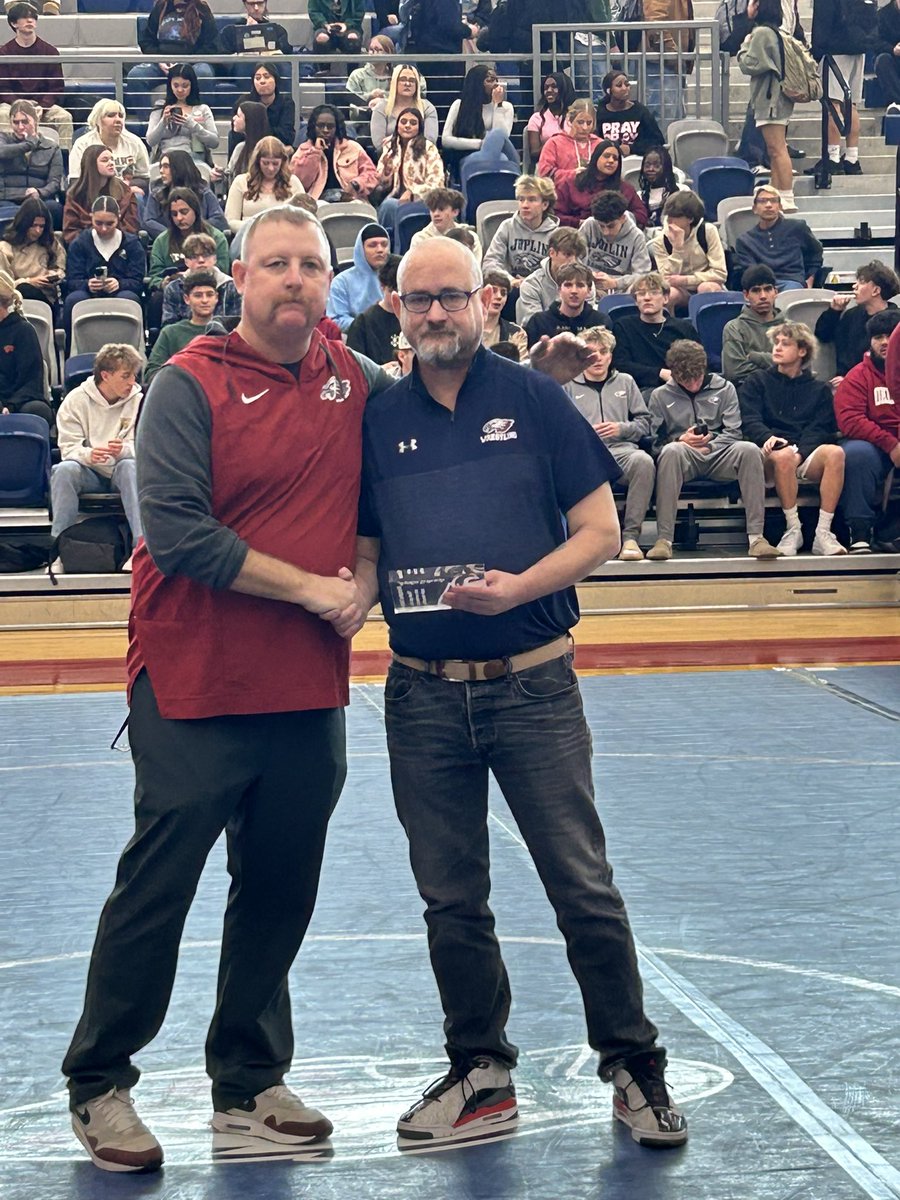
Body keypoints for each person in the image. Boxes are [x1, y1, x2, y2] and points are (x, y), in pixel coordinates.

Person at [61, 203, 385, 1174]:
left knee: (280, 885)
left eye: (310, 266)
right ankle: (100, 1081)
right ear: (239, 278)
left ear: (330, 284)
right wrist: (315, 589)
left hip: (305, 681)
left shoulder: (357, 382)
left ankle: (247, 1077)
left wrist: (365, 580)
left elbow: (382, 498)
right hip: (193, 671)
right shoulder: (185, 385)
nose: (294, 279)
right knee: (160, 883)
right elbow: (179, 533)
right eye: (275, 264)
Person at [350, 235, 688, 1150]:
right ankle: (481, 1072)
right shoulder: (380, 419)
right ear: (397, 307)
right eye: (417, 300)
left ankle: (634, 1067)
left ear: (483, 300)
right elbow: (370, 547)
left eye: (449, 297)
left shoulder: (536, 399)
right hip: (420, 696)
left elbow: (601, 529)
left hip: (533, 689)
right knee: (450, 897)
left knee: (582, 887)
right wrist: (342, 598)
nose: (433, 314)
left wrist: (518, 588)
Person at [647, 340, 781, 560]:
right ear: (673, 374)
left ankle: (756, 537)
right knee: (669, 452)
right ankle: (664, 539)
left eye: (696, 378)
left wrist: (711, 442)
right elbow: (653, 441)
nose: (692, 385)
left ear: (704, 369)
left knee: (749, 450)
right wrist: (680, 439)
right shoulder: (659, 395)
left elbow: (734, 431)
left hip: (720, 453)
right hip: (683, 454)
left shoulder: (725, 388)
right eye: (684, 380)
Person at [738, 322, 847, 556]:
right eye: (776, 343)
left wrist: (801, 453)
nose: (777, 348)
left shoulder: (819, 389)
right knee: (784, 456)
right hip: (768, 453)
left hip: (802, 451)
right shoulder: (757, 381)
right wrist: (768, 437)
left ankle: (823, 532)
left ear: (802, 351)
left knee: (836, 453)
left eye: (785, 344)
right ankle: (793, 528)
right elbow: (750, 418)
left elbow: (820, 429)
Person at [564, 324, 654, 560]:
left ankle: (631, 538)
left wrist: (621, 428)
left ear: (610, 355)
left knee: (643, 462)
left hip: (622, 452)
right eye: (591, 352)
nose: (598, 358)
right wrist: (584, 434)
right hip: (585, 456)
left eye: (603, 352)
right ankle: (578, 541)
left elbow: (645, 423)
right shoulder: (568, 385)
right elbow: (557, 429)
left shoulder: (626, 381)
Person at [50, 343, 143, 564]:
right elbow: (68, 448)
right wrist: (88, 455)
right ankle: (60, 551)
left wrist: (124, 450)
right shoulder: (75, 400)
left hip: (122, 469)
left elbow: (147, 447)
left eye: (134, 376)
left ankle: (140, 550)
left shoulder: (140, 400)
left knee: (130, 466)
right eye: (126, 376)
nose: (132, 382)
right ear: (105, 375)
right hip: (89, 472)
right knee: (64, 470)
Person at [835, 309, 900, 552]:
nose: (884, 343)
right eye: (878, 337)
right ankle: (859, 531)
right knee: (856, 453)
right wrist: (891, 445)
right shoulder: (857, 377)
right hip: (875, 446)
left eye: (890, 336)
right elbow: (849, 420)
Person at [737, 0, 799, 211]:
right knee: (775, 150)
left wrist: (745, 45)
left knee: (776, 149)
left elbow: (750, 64)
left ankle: (786, 195)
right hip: (775, 96)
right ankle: (775, 192)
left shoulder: (762, 33)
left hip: (770, 98)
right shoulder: (775, 32)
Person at [807, 0, 878, 177]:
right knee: (852, 104)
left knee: (834, 104)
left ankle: (833, 157)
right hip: (859, 48)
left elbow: (823, 21)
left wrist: (816, 52)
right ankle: (852, 158)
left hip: (836, 49)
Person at [63, 196, 145, 345]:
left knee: (129, 299)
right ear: (91, 217)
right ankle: (72, 350)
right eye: (98, 223)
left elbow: (138, 281)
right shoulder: (80, 243)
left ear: (119, 219)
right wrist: (87, 284)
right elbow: (72, 280)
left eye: (110, 223)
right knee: (74, 300)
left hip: (121, 292)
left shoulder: (132, 244)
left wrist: (119, 284)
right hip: (87, 292)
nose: (104, 229)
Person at [127, 0, 218, 120]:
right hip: (162, 61)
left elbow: (211, 45)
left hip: (192, 62)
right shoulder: (161, 7)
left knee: (204, 73)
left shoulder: (201, 8)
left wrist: (186, 64)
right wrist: (159, 60)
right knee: (136, 75)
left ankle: (201, 122)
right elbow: (146, 40)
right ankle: (147, 125)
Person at [0, 2, 73, 148]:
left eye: (33, 18)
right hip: (13, 105)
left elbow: (56, 87)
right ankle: (8, 160)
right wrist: (18, 106)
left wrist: (42, 106)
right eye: (25, 18)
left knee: (65, 117)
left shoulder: (50, 51)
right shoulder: (4, 53)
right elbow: (3, 88)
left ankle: (65, 163)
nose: (30, 21)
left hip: (42, 106)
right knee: (2, 115)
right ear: (14, 23)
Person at [815, 261, 900, 385]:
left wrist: (852, 379)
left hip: (881, 383)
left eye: (862, 282)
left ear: (876, 290)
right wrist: (834, 312)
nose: (854, 286)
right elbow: (822, 335)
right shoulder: (851, 315)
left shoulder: (896, 319)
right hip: (845, 382)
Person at [611, 273, 699, 392]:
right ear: (636, 301)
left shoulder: (684, 328)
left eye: (654, 292)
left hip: (680, 388)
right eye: (641, 294)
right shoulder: (623, 326)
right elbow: (621, 364)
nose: (647, 298)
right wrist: (659, 373)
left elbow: (697, 361)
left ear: (666, 298)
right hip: (640, 390)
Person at [648, 191, 726, 313]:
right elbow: (666, 279)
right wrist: (677, 249)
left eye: (675, 217)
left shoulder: (707, 231)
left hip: (706, 283)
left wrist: (686, 280)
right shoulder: (660, 241)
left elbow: (720, 273)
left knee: (706, 288)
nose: (669, 221)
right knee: (668, 295)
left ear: (690, 219)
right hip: (680, 290)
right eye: (669, 216)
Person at [733, 185, 822, 290]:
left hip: (792, 282)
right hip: (763, 287)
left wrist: (810, 280)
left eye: (773, 201)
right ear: (754, 209)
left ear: (780, 206)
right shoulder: (745, 240)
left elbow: (816, 253)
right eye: (762, 201)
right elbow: (751, 274)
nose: (768, 205)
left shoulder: (797, 228)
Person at [372, 107, 444, 230]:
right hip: (393, 198)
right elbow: (379, 179)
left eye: (413, 123)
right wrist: (384, 177)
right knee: (386, 205)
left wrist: (413, 192)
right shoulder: (390, 146)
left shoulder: (428, 148)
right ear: (397, 125)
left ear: (419, 127)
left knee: (388, 206)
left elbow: (437, 182)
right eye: (403, 122)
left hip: (421, 201)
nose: (407, 126)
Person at [482, 175, 559, 289]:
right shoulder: (507, 227)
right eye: (521, 199)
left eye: (532, 200)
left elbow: (559, 271)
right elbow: (490, 263)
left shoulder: (555, 234)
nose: (525, 205)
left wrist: (532, 283)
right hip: (509, 288)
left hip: (541, 290)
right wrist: (511, 281)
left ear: (545, 204)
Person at [290, 105, 377, 203]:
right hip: (317, 201)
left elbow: (372, 174)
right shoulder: (303, 150)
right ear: (313, 127)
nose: (326, 130)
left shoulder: (353, 147)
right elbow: (300, 182)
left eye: (330, 126)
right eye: (321, 126)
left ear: (337, 128)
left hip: (350, 199)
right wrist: (316, 152)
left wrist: (356, 184)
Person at [145, 268, 219, 381]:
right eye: (198, 295)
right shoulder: (171, 333)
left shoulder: (227, 332)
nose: (205, 300)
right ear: (187, 299)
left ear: (216, 298)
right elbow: (152, 373)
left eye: (209, 295)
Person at [148, 187, 229, 290]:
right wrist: (165, 283)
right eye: (174, 214)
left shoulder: (216, 237)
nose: (179, 218)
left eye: (184, 212)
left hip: (210, 288)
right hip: (174, 290)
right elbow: (154, 277)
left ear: (195, 210)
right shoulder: (161, 241)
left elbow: (223, 270)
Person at [441, 64, 515, 176]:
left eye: (496, 80)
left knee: (499, 140)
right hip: (466, 154)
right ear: (477, 84)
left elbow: (502, 137)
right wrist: (481, 144)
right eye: (489, 81)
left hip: (497, 153)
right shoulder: (459, 105)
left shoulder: (506, 107)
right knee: (502, 160)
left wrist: (498, 105)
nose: (495, 84)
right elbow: (446, 140)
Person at [556, 140, 648, 230]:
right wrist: (580, 223)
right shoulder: (571, 183)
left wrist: (616, 223)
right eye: (606, 156)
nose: (611, 160)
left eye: (615, 158)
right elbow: (555, 215)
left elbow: (641, 215)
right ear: (596, 158)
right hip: (575, 235)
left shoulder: (625, 189)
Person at [68, 100, 151, 199]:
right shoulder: (82, 144)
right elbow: (75, 180)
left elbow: (145, 179)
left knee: (136, 196)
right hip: (92, 193)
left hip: (126, 194)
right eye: (111, 115)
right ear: (97, 120)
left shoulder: (135, 143)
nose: (118, 120)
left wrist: (124, 188)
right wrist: (114, 188)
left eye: (120, 116)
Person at [0, 97, 62, 225]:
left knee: (55, 208)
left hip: (39, 197)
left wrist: (40, 192)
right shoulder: (4, 140)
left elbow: (55, 182)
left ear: (35, 121)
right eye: (15, 122)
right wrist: (29, 144)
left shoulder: (51, 147)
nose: (20, 127)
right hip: (8, 197)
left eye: (25, 122)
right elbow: (2, 152)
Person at [0, 264, 49, 423]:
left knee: (36, 410)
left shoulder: (23, 331)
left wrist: (10, 406)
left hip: (19, 401)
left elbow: (32, 382)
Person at [142, 149, 228, 240]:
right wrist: (172, 235)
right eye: (161, 167)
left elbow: (219, 220)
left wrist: (192, 233)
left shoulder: (203, 191)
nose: (161, 171)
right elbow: (148, 221)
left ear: (179, 168)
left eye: (166, 167)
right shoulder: (157, 192)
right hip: (168, 242)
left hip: (200, 241)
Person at [160, 230, 240, 326]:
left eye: (206, 255)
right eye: (194, 256)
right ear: (186, 261)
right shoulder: (174, 288)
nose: (201, 260)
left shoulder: (231, 286)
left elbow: (238, 325)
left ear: (215, 258)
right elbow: (168, 326)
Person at [145, 64, 218, 170]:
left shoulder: (202, 109)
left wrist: (193, 125)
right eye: (176, 85)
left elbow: (214, 142)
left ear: (192, 85)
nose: (180, 90)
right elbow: (150, 141)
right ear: (170, 85)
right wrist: (163, 122)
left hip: (194, 160)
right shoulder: (160, 108)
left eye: (185, 86)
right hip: (165, 160)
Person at [62, 145, 139, 245]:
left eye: (112, 159)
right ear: (92, 164)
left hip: (118, 245)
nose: (111, 163)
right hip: (86, 247)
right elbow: (70, 232)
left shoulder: (124, 191)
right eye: (105, 160)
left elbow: (130, 228)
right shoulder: (75, 195)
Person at [225, 136, 304, 233]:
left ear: (282, 162)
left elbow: (304, 219)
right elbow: (231, 221)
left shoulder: (293, 182)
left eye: (275, 164)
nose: (270, 168)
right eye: (265, 163)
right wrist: (258, 228)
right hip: (249, 237)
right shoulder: (240, 182)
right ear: (258, 161)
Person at [579, 191, 653, 294]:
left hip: (619, 290)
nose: (605, 232)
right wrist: (588, 275)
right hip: (586, 284)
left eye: (611, 226)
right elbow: (574, 259)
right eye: (601, 226)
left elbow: (642, 275)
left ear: (623, 218)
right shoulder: (589, 225)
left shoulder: (636, 236)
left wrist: (615, 283)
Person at [721, 264, 783, 384]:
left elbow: (801, 365)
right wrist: (781, 365)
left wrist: (757, 358)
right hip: (751, 393)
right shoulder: (734, 328)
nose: (763, 296)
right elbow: (735, 372)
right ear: (746, 295)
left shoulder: (790, 327)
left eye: (768, 289)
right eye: (756, 290)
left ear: (775, 292)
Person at [516, 225, 589, 326]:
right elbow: (536, 326)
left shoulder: (585, 283)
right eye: (567, 254)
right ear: (552, 253)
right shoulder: (532, 285)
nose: (572, 261)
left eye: (576, 256)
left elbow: (589, 320)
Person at [0, 193, 64, 307]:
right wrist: (30, 282)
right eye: (34, 225)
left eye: (42, 226)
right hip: (16, 298)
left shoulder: (51, 242)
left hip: (48, 297)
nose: (38, 231)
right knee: (24, 289)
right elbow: (4, 285)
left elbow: (61, 269)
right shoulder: (5, 248)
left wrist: (55, 275)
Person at [326, 221, 391, 330]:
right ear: (361, 249)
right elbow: (335, 320)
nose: (380, 250)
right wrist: (370, 325)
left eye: (384, 245)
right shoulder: (341, 282)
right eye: (372, 245)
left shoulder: (397, 277)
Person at [523, 261, 609, 342]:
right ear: (559, 289)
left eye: (580, 285)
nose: (574, 291)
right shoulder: (539, 321)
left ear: (589, 290)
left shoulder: (601, 322)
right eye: (568, 285)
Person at [346, 251, 403, 364]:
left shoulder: (413, 316)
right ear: (382, 286)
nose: (398, 297)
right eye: (393, 291)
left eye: (402, 292)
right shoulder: (363, 323)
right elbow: (353, 366)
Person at [594, 69, 664, 159]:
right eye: (619, 85)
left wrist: (631, 148)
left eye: (627, 85)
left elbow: (657, 141)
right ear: (609, 91)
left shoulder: (640, 111)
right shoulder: (601, 113)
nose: (624, 88)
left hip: (637, 160)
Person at [229, 62, 296, 156]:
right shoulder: (243, 101)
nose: (262, 81)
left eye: (267, 76)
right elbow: (236, 131)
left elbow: (286, 135)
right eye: (257, 78)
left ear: (276, 80)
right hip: (247, 148)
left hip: (277, 150)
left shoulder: (286, 102)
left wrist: (252, 128)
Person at [370, 64, 438, 147]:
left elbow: (430, 141)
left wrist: (394, 139)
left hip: (420, 157)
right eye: (402, 79)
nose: (407, 84)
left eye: (412, 80)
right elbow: (379, 144)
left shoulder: (427, 107)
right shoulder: (381, 108)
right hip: (389, 157)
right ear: (394, 82)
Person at [537, 99, 601, 187]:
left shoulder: (600, 144)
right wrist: (572, 174)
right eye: (580, 122)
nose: (585, 127)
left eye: (589, 123)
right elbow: (544, 174)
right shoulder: (554, 143)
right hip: (561, 195)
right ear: (570, 120)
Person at [408, 187, 482, 259]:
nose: (436, 214)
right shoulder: (420, 239)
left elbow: (476, 268)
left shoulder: (471, 237)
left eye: (441, 209)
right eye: (433, 210)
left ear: (455, 212)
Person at [525, 71, 577, 164]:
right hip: (547, 164)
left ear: (564, 89)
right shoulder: (537, 118)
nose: (549, 90)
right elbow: (534, 153)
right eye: (546, 87)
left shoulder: (575, 116)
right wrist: (557, 142)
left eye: (554, 87)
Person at [219, 0, 293, 64]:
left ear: (265, 3)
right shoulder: (230, 32)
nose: (256, 8)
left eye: (260, 3)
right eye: (251, 4)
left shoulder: (278, 31)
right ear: (245, 4)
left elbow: (287, 57)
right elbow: (224, 62)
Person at [478, 268, 526, 355]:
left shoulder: (517, 333)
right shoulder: (466, 329)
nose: (499, 297)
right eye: (493, 291)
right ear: (480, 293)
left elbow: (521, 366)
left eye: (503, 293)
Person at [345, 34, 396, 112]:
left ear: (389, 53)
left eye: (378, 50)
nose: (373, 53)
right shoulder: (357, 75)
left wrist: (384, 96)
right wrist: (370, 96)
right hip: (363, 118)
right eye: (371, 49)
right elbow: (352, 103)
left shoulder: (397, 74)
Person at [225, 100, 271, 186]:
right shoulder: (240, 147)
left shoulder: (269, 150)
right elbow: (229, 174)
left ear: (249, 120)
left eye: (238, 116)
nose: (234, 118)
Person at [636, 145, 683, 230]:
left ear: (666, 168)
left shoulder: (680, 193)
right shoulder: (639, 197)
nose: (651, 169)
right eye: (647, 165)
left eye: (657, 165)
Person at [875, 0, 900, 110]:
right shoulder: (883, 15)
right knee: (882, 60)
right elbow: (876, 42)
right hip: (893, 60)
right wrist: (893, 49)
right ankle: (898, 102)